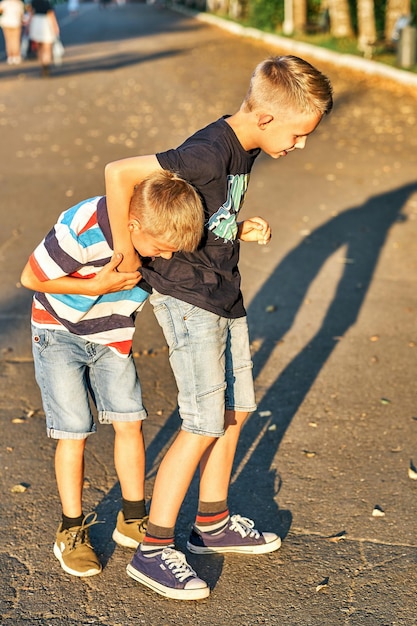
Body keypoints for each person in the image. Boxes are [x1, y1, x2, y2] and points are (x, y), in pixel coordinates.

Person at [104, 54, 334, 600]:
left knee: (237, 409)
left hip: (223, 290)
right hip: (190, 299)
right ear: (269, 118)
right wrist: (124, 250)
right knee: (203, 420)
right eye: (299, 135)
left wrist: (234, 228)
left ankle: (212, 522)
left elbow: (207, 212)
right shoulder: (207, 152)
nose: (300, 147)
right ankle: (153, 548)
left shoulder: (245, 146)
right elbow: (121, 173)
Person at [20, 170, 205, 578]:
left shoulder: (163, 227)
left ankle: (132, 518)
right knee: (74, 430)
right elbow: (30, 277)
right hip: (57, 330)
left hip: (113, 336)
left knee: (129, 420)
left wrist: (241, 228)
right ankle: (70, 530)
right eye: (161, 248)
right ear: (133, 226)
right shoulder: (83, 228)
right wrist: (94, 286)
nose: (168, 257)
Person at [26, 0, 59, 76]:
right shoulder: (47, 2)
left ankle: (42, 63)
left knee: (39, 47)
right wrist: (55, 27)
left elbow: (31, 14)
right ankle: (46, 63)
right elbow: (51, 14)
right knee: (47, 46)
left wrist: (28, 27)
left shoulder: (33, 2)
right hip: (46, 23)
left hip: (36, 23)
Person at [0, 0, 25, 64]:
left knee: (8, 40)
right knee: (16, 40)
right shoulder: (19, 3)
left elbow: (1, 12)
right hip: (16, 23)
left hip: (6, 23)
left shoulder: (4, 3)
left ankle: (10, 56)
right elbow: (21, 14)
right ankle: (16, 56)